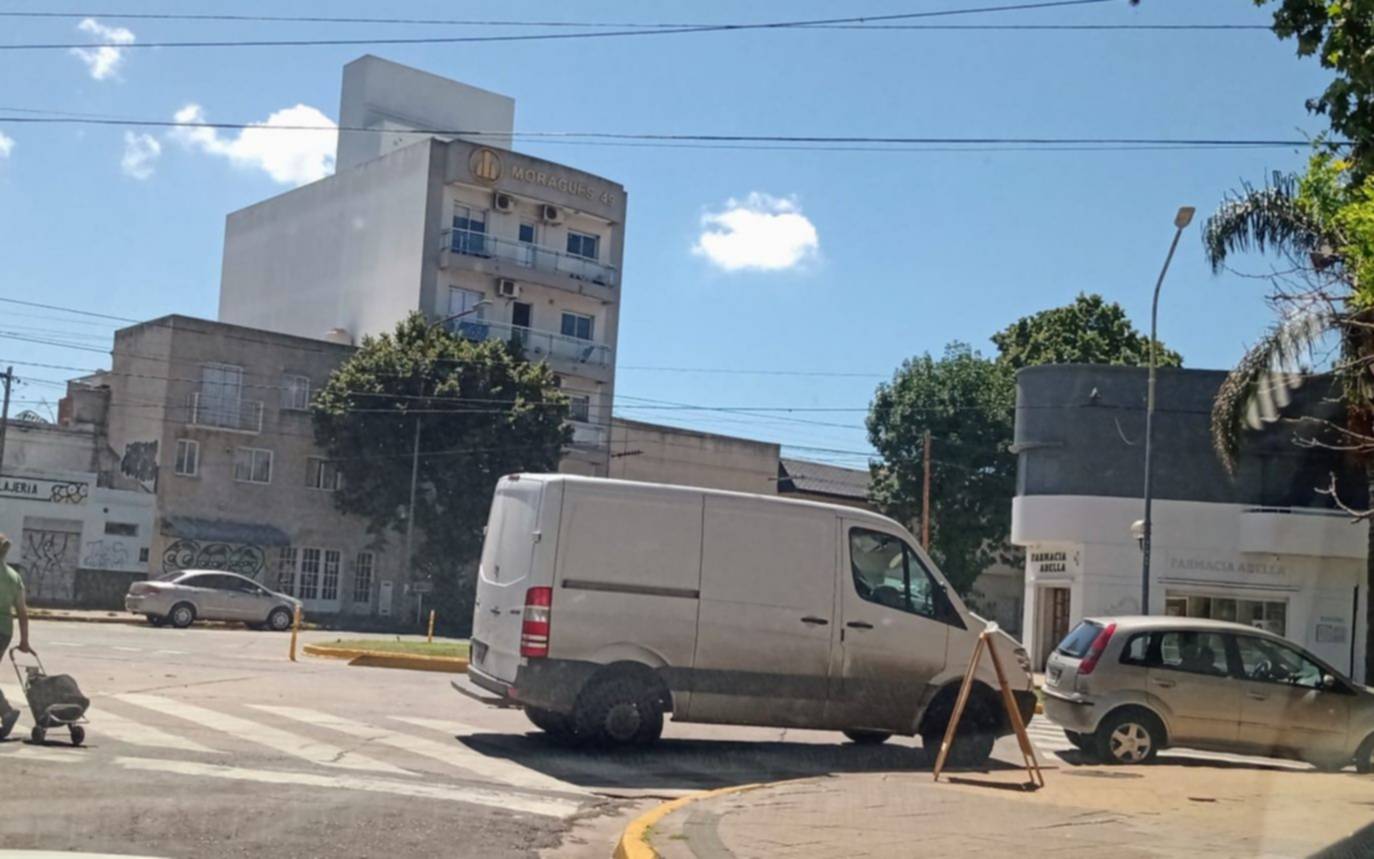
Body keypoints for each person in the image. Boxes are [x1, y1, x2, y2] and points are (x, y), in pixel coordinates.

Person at [0, 533, 31, 739]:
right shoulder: (14, 576)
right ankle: (6, 712)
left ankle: (7, 712)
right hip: (5, 630)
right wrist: (24, 641)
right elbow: (22, 612)